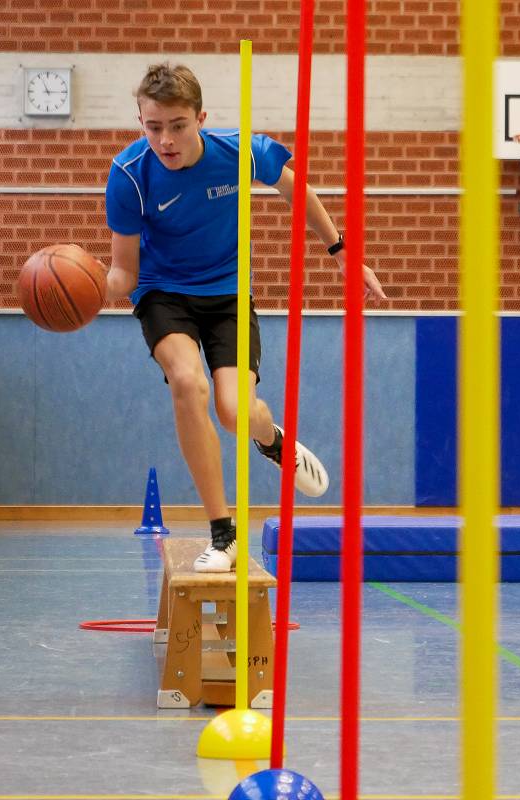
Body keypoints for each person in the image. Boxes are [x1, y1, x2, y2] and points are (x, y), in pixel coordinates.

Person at [103, 63, 386, 573]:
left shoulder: (239, 152)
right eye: (153, 126)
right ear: (140, 121)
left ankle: (272, 440)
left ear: (200, 119)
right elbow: (124, 272)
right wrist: (90, 293)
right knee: (188, 384)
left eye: (177, 126)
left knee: (235, 412)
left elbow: (295, 189)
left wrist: (340, 251)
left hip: (228, 293)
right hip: (163, 292)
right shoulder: (128, 176)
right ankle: (224, 533)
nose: (165, 140)